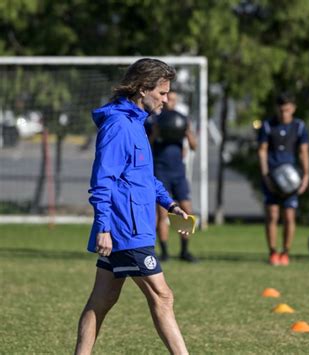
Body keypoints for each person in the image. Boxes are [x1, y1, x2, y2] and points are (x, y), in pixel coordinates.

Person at [75, 58, 189, 355]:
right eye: (162, 93)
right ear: (142, 89)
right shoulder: (117, 126)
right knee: (163, 297)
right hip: (126, 231)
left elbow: (144, 178)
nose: (166, 99)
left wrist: (171, 204)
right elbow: (103, 181)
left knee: (101, 301)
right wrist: (103, 227)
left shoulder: (137, 123)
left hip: (134, 227)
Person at [257, 92, 309, 266]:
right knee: (272, 215)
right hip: (272, 178)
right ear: (277, 109)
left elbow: (303, 152)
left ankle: (285, 252)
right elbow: (263, 151)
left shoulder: (299, 126)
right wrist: (265, 175)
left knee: (289, 216)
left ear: (293, 109)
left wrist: (306, 175)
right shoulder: (267, 125)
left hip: (291, 179)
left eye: (287, 110)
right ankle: (273, 252)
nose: (284, 113)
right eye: (281, 110)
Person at [148, 91, 198, 262]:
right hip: (161, 170)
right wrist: (156, 131)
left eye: (174, 99)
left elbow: (193, 146)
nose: (171, 102)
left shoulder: (182, 119)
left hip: (178, 172)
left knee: (186, 210)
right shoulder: (154, 120)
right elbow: (148, 145)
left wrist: (187, 130)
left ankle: (185, 251)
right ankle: (164, 252)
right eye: (169, 98)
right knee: (162, 214)